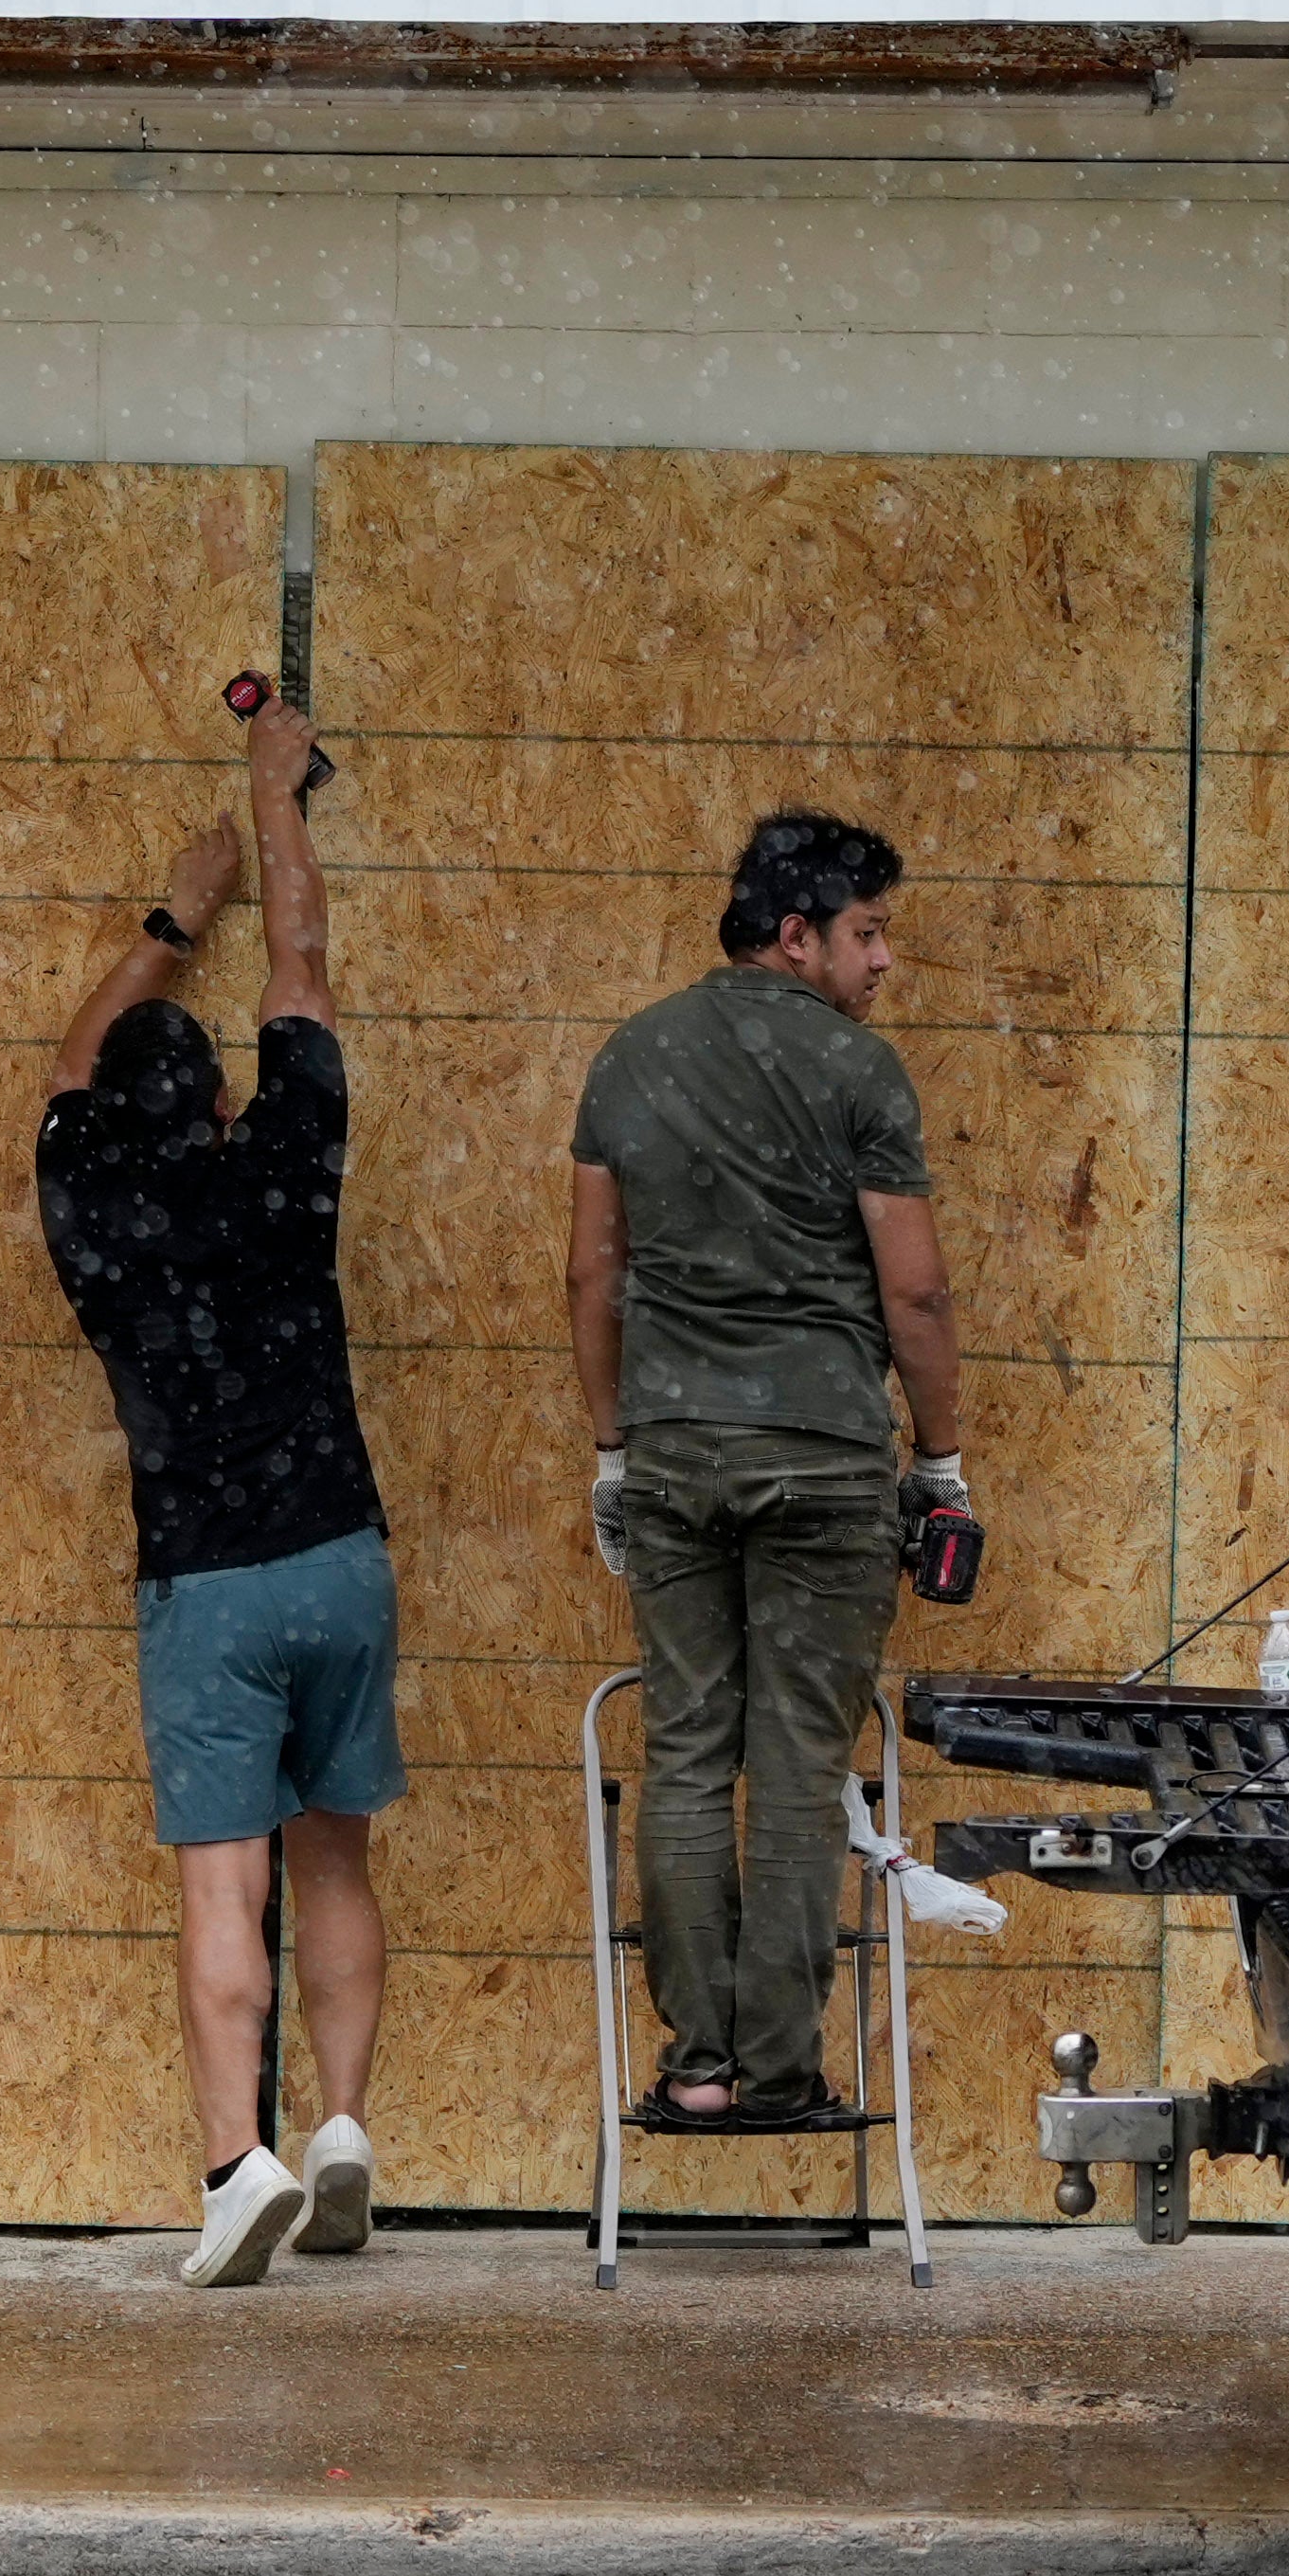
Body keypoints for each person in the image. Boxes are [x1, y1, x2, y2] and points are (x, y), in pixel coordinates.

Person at [32, 686, 392, 2289]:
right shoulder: (284, 1160)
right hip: (336, 1556)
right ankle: (340, 2130)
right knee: (334, 1859)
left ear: (111, 1116)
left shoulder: (90, 1206)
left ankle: (230, 2167)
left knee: (220, 1877)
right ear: (230, 1099)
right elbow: (304, 967)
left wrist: (174, 915)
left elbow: (67, 1052)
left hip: (206, 1580)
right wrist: (271, 800)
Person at [566, 805, 977, 2135]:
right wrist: (945, 1460)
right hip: (824, 1462)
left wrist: (613, 1453)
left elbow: (592, 1273)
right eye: (866, 932)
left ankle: (694, 2064)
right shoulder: (861, 1076)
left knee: (687, 1750)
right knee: (799, 1761)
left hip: (675, 1453)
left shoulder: (628, 1058)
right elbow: (911, 1292)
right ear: (793, 936)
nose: (882, 961)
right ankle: (784, 2068)